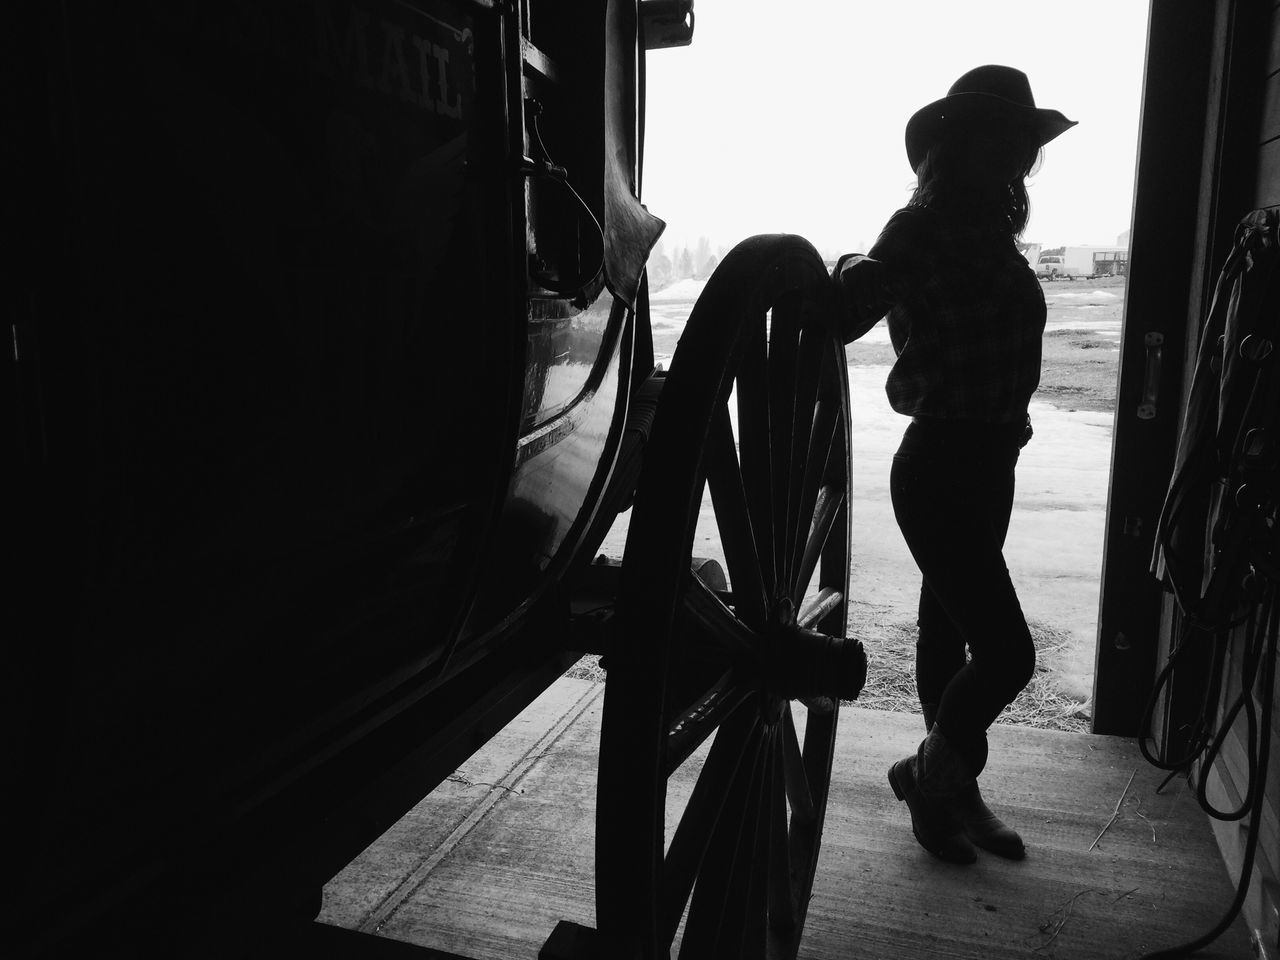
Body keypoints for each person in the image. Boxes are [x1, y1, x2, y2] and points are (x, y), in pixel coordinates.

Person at [834, 65, 1076, 863]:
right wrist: (839, 272)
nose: (1013, 156)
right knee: (1009, 653)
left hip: (992, 463)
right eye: (998, 137)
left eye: (1020, 143)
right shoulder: (921, 228)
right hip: (939, 464)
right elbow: (846, 313)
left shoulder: (996, 240)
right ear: (958, 143)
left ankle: (945, 796)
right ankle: (930, 772)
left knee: (946, 629)